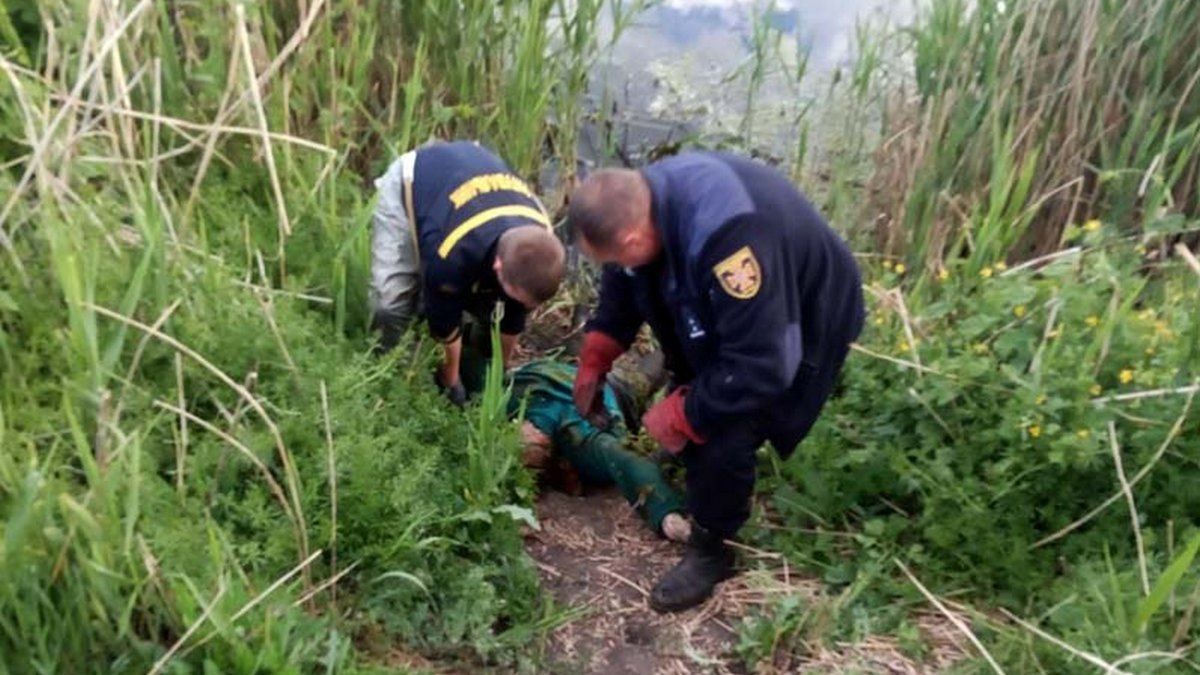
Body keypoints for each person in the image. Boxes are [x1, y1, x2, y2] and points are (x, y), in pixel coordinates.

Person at [568, 152, 865, 612]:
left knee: (725, 423)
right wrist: (596, 355)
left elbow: (760, 367)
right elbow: (623, 282)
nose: (616, 265)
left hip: (802, 316)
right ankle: (695, 447)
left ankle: (713, 548)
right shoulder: (640, 205)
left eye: (613, 256)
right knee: (699, 375)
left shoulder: (730, 244)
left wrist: (686, 414)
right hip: (745, 312)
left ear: (631, 238)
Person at [369, 141, 566, 403]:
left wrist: (501, 372)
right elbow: (444, 320)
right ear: (498, 265)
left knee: (493, 305)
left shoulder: (542, 240)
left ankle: (475, 352)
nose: (524, 306)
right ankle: (393, 372)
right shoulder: (453, 254)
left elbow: (514, 314)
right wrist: (451, 381)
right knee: (389, 303)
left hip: (473, 179)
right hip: (416, 180)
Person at [508, 359, 690, 541]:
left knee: (660, 362)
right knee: (653, 368)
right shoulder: (571, 434)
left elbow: (625, 459)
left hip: (602, 386)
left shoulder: (571, 433)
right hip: (597, 385)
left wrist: (666, 514)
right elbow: (625, 457)